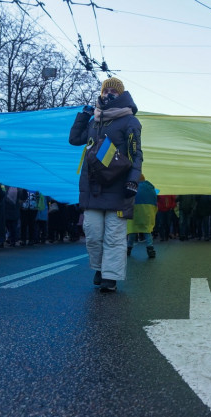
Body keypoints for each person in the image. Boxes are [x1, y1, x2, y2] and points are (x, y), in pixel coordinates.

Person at [69, 76, 143, 292]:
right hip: (94, 187)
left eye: (114, 92)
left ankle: (110, 277)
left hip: (119, 188)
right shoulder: (94, 120)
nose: (108, 94)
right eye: (105, 91)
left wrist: (132, 181)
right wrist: (83, 116)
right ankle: (100, 268)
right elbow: (74, 140)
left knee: (114, 236)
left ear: (121, 95)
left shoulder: (130, 121)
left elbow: (136, 154)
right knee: (92, 232)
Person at [127, 174, 157, 258]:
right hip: (147, 213)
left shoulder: (133, 187)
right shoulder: (151, 188)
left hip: (134, 212)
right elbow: (155, 202)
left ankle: (128, 248)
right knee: (147, 230)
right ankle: (150, 248)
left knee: (132, 231)